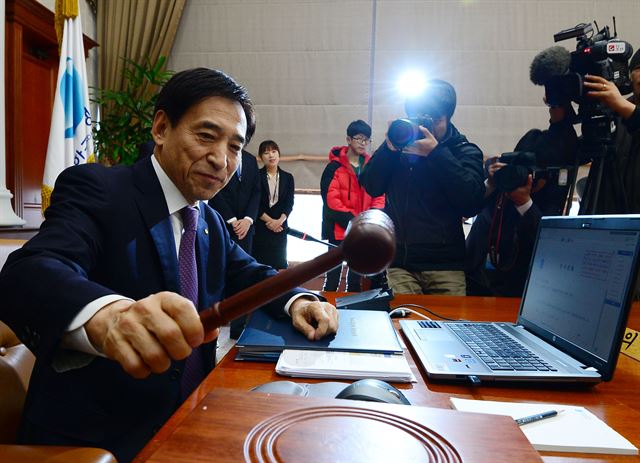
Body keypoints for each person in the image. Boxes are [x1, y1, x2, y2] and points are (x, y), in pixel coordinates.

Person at [0, 68, 338, 462]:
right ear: (161, 128)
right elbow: (30, 271)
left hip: (192, 417)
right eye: (206, 136)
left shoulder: (207, 219)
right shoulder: (100, 189)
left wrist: (297, 300)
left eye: (234, 146)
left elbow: (247, 273)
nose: (220, 159)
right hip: (102, 440)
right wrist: (108, 316)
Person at [360, 79, 485, 296]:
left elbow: (471, 202)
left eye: (434, 120)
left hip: (446, 266)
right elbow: (371, 185)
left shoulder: (463, 151)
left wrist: (436, 154)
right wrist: (389, 147)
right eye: (419, 119)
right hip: (401, 264)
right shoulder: (398, 147)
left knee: (448, 328)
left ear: (447, 118)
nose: (425, 127)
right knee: (399, 325)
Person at [465, 103, 578, 297]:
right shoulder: (500, 188)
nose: (523, 177)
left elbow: (549, 247)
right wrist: (490, 184)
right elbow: (467, 212)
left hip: (525, 294)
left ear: (546, 175)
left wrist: (525, 204)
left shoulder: (552, 201)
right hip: (478, 287)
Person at [321, 119, 385, 292]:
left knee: (356, 280)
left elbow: (379, 196)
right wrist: (354, 222)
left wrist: (368, 221)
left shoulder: (371, 168)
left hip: (362, 232)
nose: (363, 143)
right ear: (348, 140)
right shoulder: (333, 167)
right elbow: (331, 201)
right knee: (332, 279)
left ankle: (353, 315)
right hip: (338, 229)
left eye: (367, 139)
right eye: (359, 138)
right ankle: (326, 312)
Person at [580, 49, 640, 213]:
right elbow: (578, 153)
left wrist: (621, 105)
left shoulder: (619, 108)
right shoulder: (613, 115)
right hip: (610, 221)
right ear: (629, 75)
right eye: (638, 68)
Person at [208, 149, 261, 254]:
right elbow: (214, 190)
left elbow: (256, 191)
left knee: (245, 265)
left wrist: (248, 219)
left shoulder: (250, 159)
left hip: (246, 227)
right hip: (221, 220)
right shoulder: (217, 156)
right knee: (219, 262)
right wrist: (232, 220)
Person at [253, 140, 295, 269]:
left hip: (280, 228)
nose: (271, 155)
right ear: (261, 157)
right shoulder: (255, 176)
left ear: (279, 154)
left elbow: (289, 202)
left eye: (274, 151)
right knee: (259, 265)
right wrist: (270, 221)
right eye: (266, 153)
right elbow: (254, 202)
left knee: (278, 265)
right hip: (261, 226)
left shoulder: (288, 177)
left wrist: (279, 221)